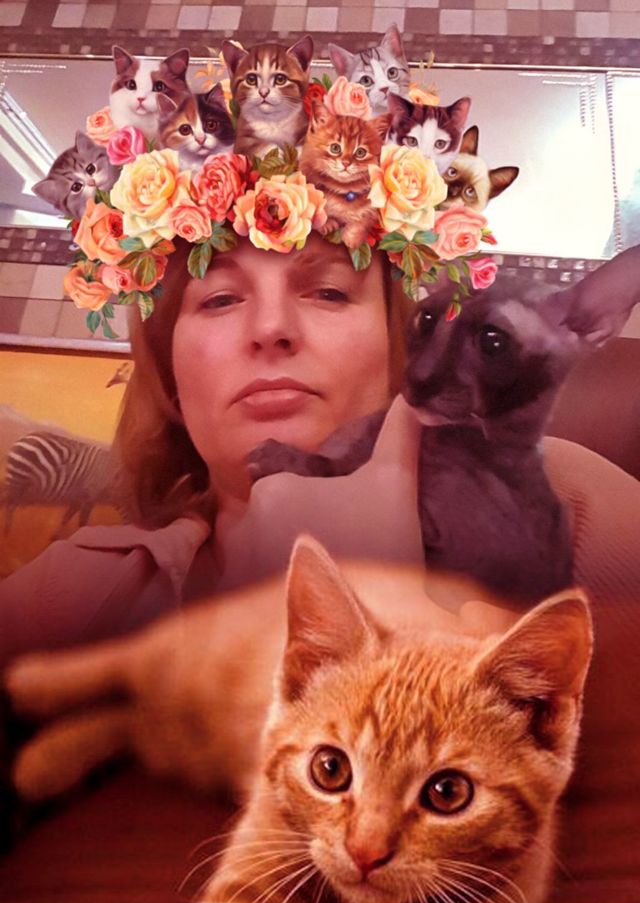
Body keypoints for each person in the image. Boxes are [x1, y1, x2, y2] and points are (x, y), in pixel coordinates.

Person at [0, 233, 410, 671]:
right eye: (220, 299)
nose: (271, 327)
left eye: (329, 292)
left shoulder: (470, 597)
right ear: (170, 373)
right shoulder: (63, 595)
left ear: (402, 351)